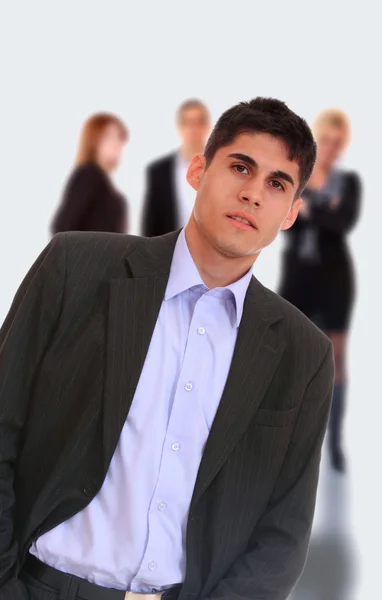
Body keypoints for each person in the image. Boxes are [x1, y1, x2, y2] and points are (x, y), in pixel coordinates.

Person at [0, 97, 334, 600]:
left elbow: (282, 533)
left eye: (276, 183)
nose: (252, 194)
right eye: (240, 167)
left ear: (290, 214)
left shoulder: (303, 355)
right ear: (198, 170)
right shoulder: (75, 268)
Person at [278, 108, 362, 473]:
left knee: (336, 359)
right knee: (291, 355)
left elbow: (343, 224)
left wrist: (311, 208)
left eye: (337, 142)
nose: (330, 148)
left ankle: (335, 444)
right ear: (317, 139)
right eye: (325, 140)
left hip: (335, 278)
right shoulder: (299, 174)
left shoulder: (350, 182)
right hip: (298, 275)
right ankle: (288, 439)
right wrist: (319, 207)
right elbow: (286, 222)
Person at [141, 99, 211, 237]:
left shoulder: (219, 168)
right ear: (179, 127)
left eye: (198, 122)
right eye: (188, 123)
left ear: (207, 126)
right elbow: (152, 222)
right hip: (171, 250)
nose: (194, 129)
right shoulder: (159, 171)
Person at [50, 113, 129, 234]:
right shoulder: (89, 175)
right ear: (93, 141)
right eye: (108, 136)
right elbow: (63, 227)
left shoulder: (101, 180)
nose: (117, 143)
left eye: (119, 137)